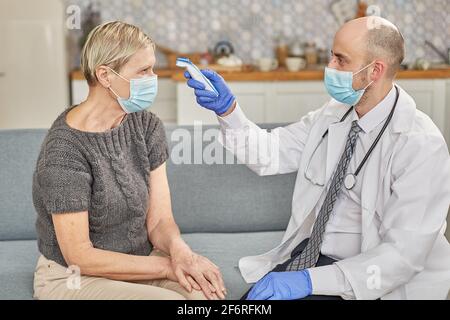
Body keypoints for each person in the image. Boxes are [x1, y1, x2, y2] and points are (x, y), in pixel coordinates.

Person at [184, 17, 450, 300]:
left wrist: (309, 281)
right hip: (315, 257)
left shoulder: (421, 145)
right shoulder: (334, 113)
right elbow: (269, 153)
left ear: (375, 71)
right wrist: (229, 111)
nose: (329, 67)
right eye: (331, 56)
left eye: (340, 60)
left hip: (370, 279)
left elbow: (401, 257)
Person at [32, 21, 226, 300]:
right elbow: (80, 256)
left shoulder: (146, 126)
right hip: (74, 275)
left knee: (205, 296)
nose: (153, 77)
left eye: (152, 68)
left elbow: (159, 220)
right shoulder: (64, 150)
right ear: (105, 76)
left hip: (140, 260)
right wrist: (168, 267)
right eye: (144, 70)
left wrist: (181, 252)